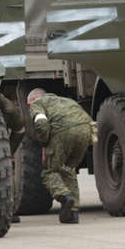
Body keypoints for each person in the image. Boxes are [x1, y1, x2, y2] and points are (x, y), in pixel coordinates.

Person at [26, 88, 93, 224]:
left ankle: (64, 197)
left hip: (64, 132)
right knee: (68, 170)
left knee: (50, 172)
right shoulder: (66, 100)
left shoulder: (37, 103)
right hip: (86, 131)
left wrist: (44, 143)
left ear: (32, 99)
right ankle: (72, 214)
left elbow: (41, 123)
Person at [0, 91, 25, 223]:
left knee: (6, 173)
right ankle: (9, 211)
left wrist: (9, 151)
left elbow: (20, 129)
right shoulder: (6, 106)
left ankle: (9, 210)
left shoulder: (8, 109)